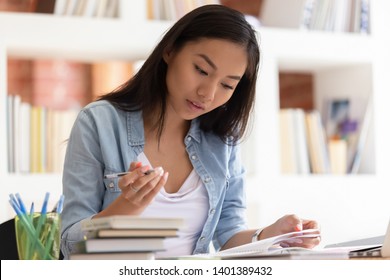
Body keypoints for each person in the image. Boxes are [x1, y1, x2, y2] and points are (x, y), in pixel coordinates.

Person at [60, 4, 320, 259]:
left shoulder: (222, 139)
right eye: (201, 70)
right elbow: (69, 244)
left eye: (227, 85)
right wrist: (127, 207)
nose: (207, 94)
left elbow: (229, 234)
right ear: (170, 50)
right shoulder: (99, 122)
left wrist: (271, 235)